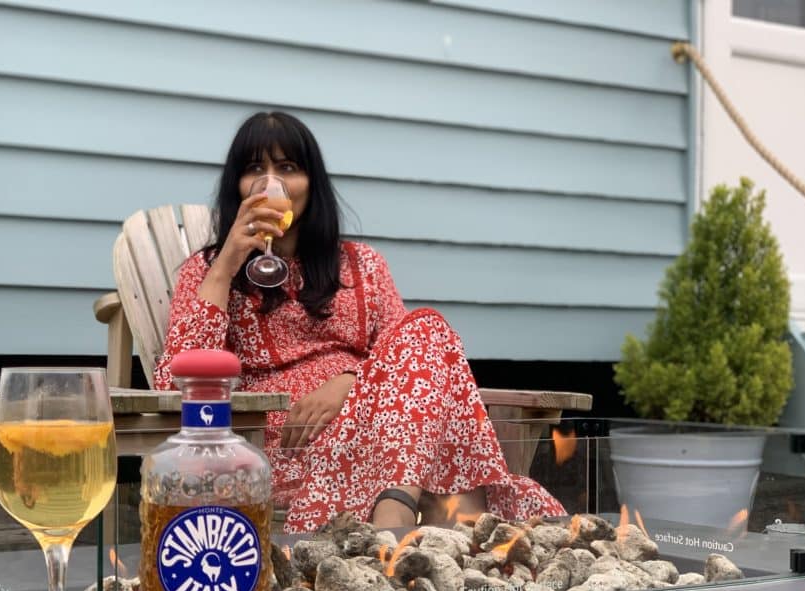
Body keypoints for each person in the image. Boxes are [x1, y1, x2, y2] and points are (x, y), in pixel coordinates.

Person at [154, 111, 565, 533]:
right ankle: (444, 539)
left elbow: (414, 356)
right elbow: (174, 383)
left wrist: (350, 381)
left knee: (427, 327)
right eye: (254, 169)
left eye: (287, 167)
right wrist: (226, 266)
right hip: (291, 452)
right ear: (236, 187)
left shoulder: (363, 266)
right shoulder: (207, 272)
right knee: (449, 463)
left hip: (387, 440)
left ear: (312, 183)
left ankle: (398, 514)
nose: (270, 182)